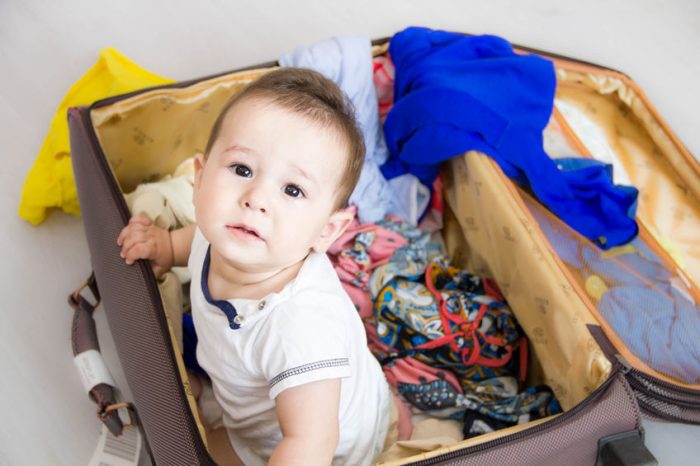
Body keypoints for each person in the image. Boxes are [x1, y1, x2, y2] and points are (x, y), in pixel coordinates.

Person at [117, 68, 391, 465]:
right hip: (250, 392)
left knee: (200, 452)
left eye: (292, 190)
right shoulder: (221, 232)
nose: (256, 197)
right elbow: (193, 240)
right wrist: (164, 246)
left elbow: (312, 442)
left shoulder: (299, 327)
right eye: (242, 169)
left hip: (316, 440)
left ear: (327, 231)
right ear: (200, 177)